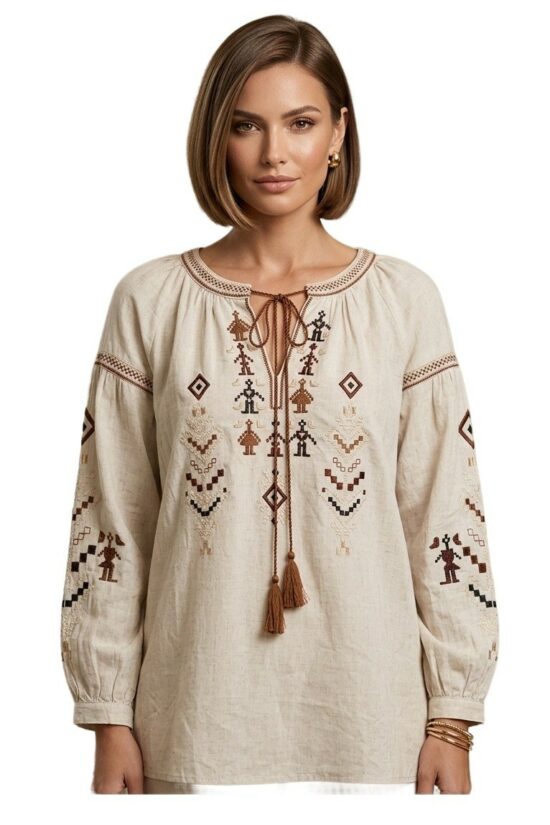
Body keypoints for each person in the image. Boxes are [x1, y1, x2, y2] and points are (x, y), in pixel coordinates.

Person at [59, 14, 499, 795]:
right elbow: (111, 521)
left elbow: (443, 512)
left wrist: (451, 719)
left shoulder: (404, 301)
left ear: (338, 134)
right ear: (215, 137)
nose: (274, 153)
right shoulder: (151, 301)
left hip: (376, 729)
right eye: (245, 125)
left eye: (300, 123)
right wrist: (108, 715)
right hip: (190, 726)